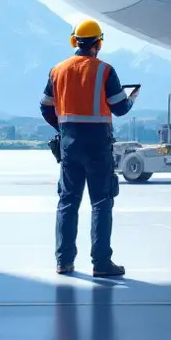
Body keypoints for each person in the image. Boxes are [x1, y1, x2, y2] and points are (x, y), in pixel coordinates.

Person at [41, 19, 137, 277]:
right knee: (102, 202)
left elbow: (45, 106)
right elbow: (119, 108)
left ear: (75, 41)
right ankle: (101, 263)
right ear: (99, 43)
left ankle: (64, 261)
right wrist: (131, 101)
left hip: (69, 145)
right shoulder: (105, 71)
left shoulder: (57, 70)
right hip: (97, 146)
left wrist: (62, 128)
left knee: (67, 202)